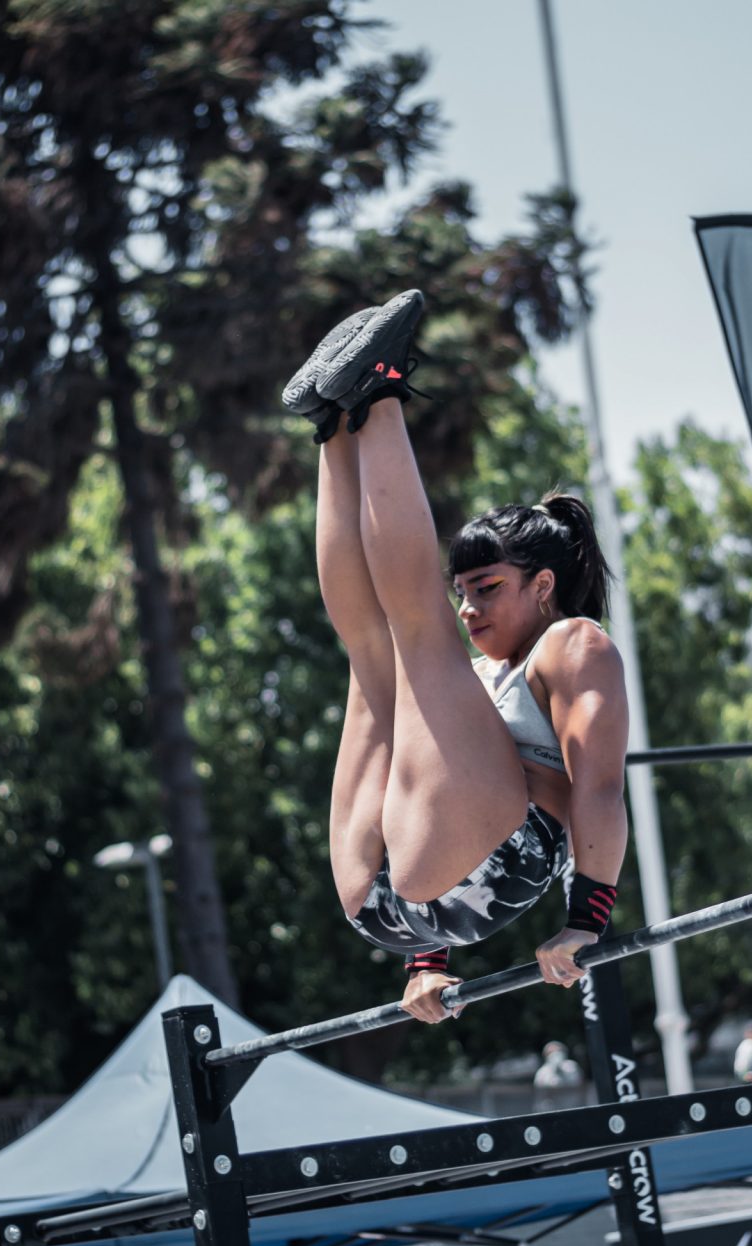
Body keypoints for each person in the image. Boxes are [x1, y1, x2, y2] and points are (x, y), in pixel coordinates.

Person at [281, 289, 629, 1025]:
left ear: (543, 586)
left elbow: (600, 789)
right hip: (384, 900)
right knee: (374, 647)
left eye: (488, 589)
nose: (469, 608)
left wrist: (587, 921)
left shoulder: (575, 645)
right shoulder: (471, 681)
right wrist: (424, 961)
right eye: (462, 591)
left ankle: (376, 393)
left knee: (416, 631)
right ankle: (335, 426)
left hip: (489, 870)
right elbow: (434, 803)